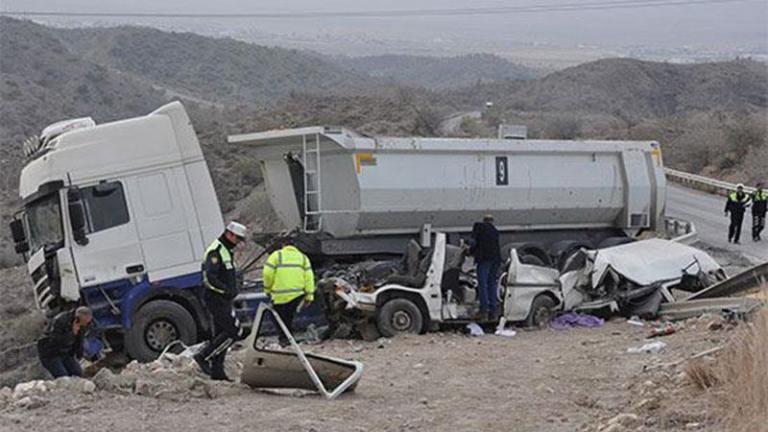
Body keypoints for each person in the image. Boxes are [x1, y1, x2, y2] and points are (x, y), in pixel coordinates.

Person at [194, 221, 247, 381]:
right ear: (229, 234)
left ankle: (217, 372)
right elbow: (209, 278)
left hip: (223, 298)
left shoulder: (226, 251)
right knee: (234, 331)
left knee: (220, 334)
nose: (238, 243)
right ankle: (204, 356)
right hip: (216, 299)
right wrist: (226, 290)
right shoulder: (216, 251)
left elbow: (226, 274)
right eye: (237, 239)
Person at [263, 238, 315, 346]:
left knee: (279, 318)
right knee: (289, 317)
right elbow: (309, 277)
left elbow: (267, 273)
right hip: (297, 294)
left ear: (283, 245)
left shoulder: (276, 256)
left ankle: (284, 339)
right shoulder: (303, 258)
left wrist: (267, 289)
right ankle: (289, 339)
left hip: (280, 295)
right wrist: (309, 296)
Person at [37, 306, 92, 378]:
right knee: (63, 376)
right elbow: (55, 341)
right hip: (50, 353)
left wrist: (80, 356)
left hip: (65, 352)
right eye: (85, 322)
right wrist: (72, 333)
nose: (86, 324)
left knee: (77, 373)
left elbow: (79, 341)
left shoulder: (82, 325)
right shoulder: (60, 320)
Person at [470, 214, 502, 321]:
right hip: (496, 259)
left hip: (485, 259)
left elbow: (474, 243)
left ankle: (483, 310)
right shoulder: (495, 231)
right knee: (492, 283)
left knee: (482, 284)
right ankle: (493, 311)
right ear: (492, 221)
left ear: (483, 220)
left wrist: (467, 248)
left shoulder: (478, 226)